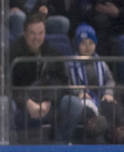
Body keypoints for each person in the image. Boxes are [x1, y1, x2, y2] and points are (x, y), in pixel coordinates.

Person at [9, 11, 85, 143]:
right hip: (22, 102)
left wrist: (48, 101)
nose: (36, 37)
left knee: (74, 104)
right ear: (24, 33)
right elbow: (7, 85)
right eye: (32, 33)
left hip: (47, 102)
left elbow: (62, 84)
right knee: (5, 104)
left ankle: (59, 142)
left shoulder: (53, 53)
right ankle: (11, 146)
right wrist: (27, 102)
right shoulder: (12, 52)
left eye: (40, 33)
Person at [66, 22, 124, 142]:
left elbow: (109, 80)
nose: (88, 47)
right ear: (77, 45)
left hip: (100, 97)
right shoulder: (70, 64)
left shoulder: (101, 63)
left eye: (91, 43)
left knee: (112, 106)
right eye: (83, 43)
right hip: (81, 100)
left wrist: (108, 93)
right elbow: (67, 83)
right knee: (88, 110)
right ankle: (97, 128)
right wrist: (78, 92)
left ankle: (120, 131)